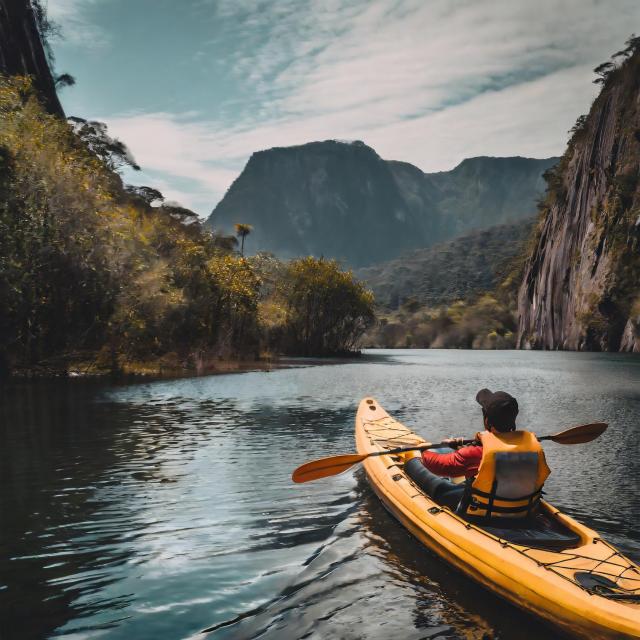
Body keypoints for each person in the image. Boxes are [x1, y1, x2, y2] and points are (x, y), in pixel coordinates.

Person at [404, 388, 549, 520]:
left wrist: (423, 450)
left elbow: (438, 466)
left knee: (425, 472)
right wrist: (462, 446)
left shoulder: (476, 453)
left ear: (487, 420)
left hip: (483, 517)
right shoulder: (533, 449)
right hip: (523, 512)